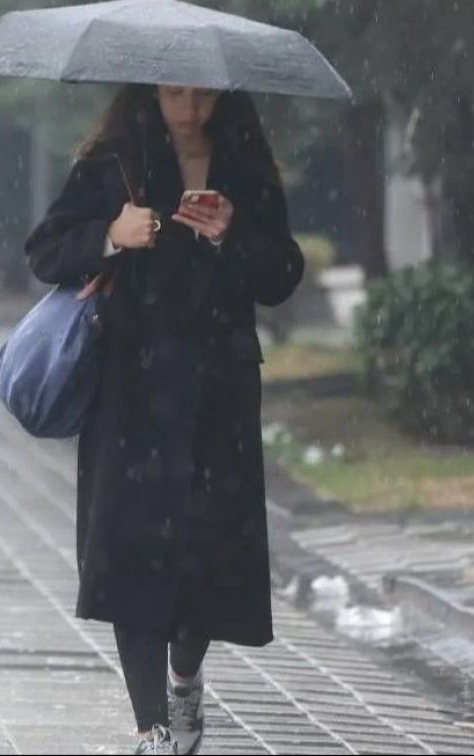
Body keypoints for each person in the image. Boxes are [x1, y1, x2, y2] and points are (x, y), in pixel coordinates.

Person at [24, 85, 304, 755]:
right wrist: (110, 235)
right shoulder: (113, 162)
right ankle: (151, 725)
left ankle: (184, 678)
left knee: (205, 559)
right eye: (176, 90)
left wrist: (233, 231)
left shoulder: (244, 164)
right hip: (132, 391)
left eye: (203, 91)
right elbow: (44, 251)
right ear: (149, 89)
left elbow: (282, 274)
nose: (190, 105)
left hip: (219, 392)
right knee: (131, 559)